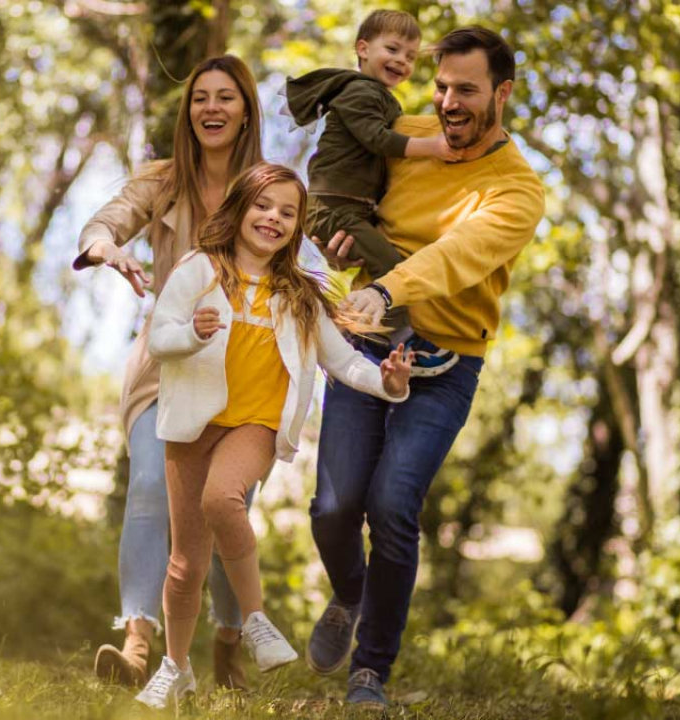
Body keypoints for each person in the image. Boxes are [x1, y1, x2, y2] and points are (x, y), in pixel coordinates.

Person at [304, 27, 547, 708]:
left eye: (465, 90)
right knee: (332, 507)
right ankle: (350, 595)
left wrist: (385, 288)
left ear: (502, 93)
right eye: (441, 87)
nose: (447, 103)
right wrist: (337, 230)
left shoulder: (518, 189)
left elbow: (458, 254)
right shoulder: (405, 133)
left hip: (446, 363)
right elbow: (336, 184)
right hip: (367, 343)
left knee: (391, 505)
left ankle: (370, 671)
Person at [134, 162, 414, 709]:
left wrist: (387, 383)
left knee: (222, 498)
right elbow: (160, 338)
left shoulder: (302, 296)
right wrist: (191, 334)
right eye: (264, 206)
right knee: (185, 563)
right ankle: (175, 666)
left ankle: (256, 620)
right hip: (193, 423)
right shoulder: (199, 270)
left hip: (255, 426)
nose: (274, 219)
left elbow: (344, 361)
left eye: (288, 213)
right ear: (240, 208)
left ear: (296, 227)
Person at [72, 55, 263, 691]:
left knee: (225, 504)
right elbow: (105, 220)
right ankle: (136, 646)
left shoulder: (266, 188)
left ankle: (228, 643)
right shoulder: (161, 182)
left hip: (244, 372)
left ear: (245, 111)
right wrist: (106, 246)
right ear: (188, 113)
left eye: (225, 98)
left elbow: (307, 257)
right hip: (168, 364)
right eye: (200, 98)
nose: (211, 108)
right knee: (152, 486)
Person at [285, 9, 460, 359]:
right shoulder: (359, 91)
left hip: (346, 208)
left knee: (387, 264)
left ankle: (365, 334)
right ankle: (387, 340)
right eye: (392, 49)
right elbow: (376, 139)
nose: (401, 61)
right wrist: (434, 147)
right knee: (393, 270)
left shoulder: (376, 94)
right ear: (363, 48)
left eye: (410, 56)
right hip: (334, 208)